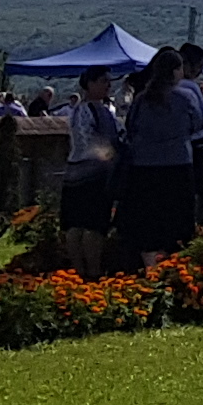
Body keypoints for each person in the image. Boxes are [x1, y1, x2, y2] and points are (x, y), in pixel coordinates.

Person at [119, 49, 203, 267]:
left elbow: (130, 128)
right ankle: (173, 271)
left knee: (149, 225)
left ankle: (151, 270)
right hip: (178, 165)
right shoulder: (185, 97)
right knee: (177, 224)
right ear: (176, 71)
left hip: (144, 168)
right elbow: (200, 123)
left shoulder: (141, 99)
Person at [58, 65, 124, 272]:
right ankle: (88, 272)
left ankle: (86, 271)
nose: (108, 86)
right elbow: (88, 142)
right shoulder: (87, 110)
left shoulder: (100, 110)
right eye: (104, 81)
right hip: (89, 174)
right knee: (87, 226)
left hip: (87, 173)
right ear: (90, 83)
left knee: (84, 225)